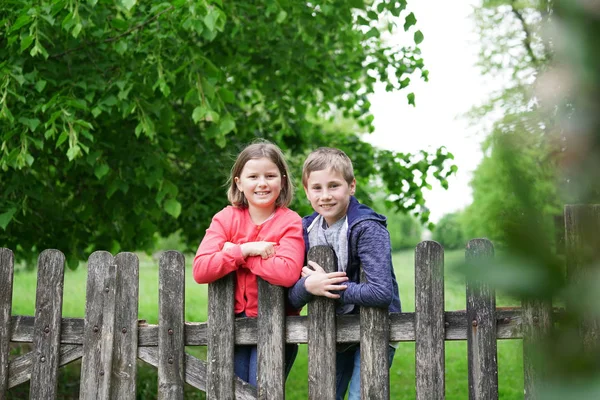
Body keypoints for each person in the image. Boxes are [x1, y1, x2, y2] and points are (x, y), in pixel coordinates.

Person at [288, 147, 401, 400]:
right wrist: (308, 286)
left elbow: (381, 292)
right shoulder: (305, 229)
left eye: (334, 186)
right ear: (306, 191)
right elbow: (291, 298)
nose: (325, 196)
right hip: (333, 329)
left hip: (376, 329)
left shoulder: (367, 228)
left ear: (351, 186)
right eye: (317, 188)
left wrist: (328, 287)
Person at [193, 140, 304, 386]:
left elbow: (287, 273)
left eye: (270, 175)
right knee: (230, 390)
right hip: (228, 327)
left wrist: (236, 254)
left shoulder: (291, 222)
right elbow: (201, 270)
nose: (262, 183)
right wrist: (248, 249)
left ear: (282, 180)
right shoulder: (225, 218)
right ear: (239, 183)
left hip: (275, 327)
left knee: (262, 391)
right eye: (253, 176)